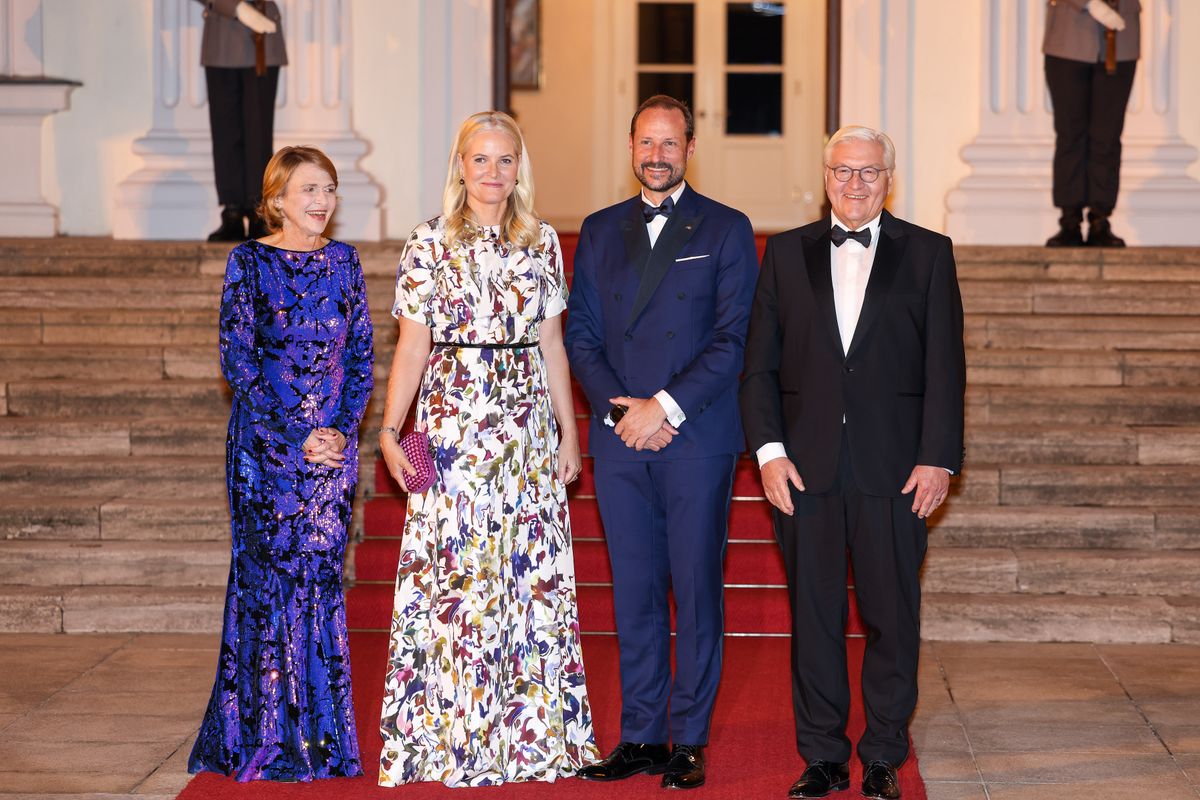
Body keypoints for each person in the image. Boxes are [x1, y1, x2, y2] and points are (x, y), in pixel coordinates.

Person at [739, 125, 965, 800]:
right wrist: (770, 454)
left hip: (895, 470)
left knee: (892, 617)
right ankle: (823, 756)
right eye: (843, 171)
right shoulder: (784, 254)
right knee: (814, 617)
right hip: (804, 472)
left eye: (869, 172)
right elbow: (759, 368)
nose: (855, 184)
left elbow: (945, 369)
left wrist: (938, 459)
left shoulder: (928, 254)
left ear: (888, 178)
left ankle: (885, 754)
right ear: (825, 175)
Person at [376, 110, 598, 787]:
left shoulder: (543, 242)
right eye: (481, 159)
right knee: (457, 583)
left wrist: (568, 431)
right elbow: (412, 348)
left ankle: (526, 739)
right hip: (448, 424)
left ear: (518, 169)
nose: (493, 173)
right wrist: (390, 433)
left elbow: (553, 345)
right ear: (461, 166)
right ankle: (447, 740)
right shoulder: (427, 241)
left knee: (526, 578)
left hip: (525, 425)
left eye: (506, 160)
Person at [564, 94, 758, 791]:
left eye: (669, 143)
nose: (657, 155)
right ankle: (642, 735)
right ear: (630, 147)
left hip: (694, 433)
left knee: (696, 589)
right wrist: (624, 412)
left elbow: (735, 337)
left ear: (689, 148)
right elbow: (580, 333)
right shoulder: (598, 228)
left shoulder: (728, 228)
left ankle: (691, 739)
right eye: (646, 142)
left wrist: (664, 405)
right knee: (635, 591)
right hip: (622, 438)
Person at [189, 145, 374, 781]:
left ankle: (320, 741)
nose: (320, 202)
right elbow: (238, 363)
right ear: (276, 200)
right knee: (266, 583)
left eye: (328, 189)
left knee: (319, 583)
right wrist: (298, 436)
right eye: (307, 191)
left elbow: (361, 358)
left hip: (329, 455)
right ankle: (261, 737)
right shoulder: (248, 262)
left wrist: (340, 432)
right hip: (266, 455)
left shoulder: (345, 262)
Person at [1043, 0, 1140, 247]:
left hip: (1121, 35)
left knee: (1107, 136)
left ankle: (1100, 218)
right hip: (1069, 36)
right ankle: (1070, 220)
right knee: (1069, 135)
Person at [194, 0, 287, 242]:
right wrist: (235, 7)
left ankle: (259, 211)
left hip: (262, 31)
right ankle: (232, 211)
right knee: (225, 132)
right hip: (223, 31)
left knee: (259, 134)